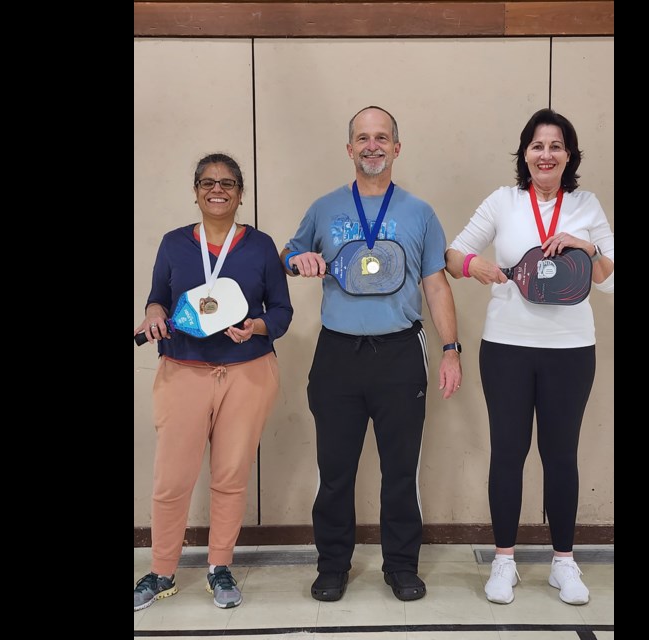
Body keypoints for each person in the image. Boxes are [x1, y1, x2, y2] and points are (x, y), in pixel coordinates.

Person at [281, 106, 462, 603]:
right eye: (363, 138)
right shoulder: (324, 208)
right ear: (349, 149)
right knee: (334, 470)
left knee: (401, 470)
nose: (372, 145)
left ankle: (401, 566)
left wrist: (451, 349)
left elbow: (435, 284)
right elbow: (287, 255)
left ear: (397, 148)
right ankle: (332, 566)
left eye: (382, 137)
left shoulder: (419, 212)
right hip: (337, 355)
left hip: (401, 354)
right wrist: (299, 260)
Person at [445, 108, 613, 606]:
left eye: (556, 146)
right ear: (525, 154)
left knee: (561, 456)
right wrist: (476, 265)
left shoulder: (586, 204)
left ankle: (564, 563)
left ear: (569, 155)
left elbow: (608, 276)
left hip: (570, 350)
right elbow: (453, 256)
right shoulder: (504, 202)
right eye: (537, 145)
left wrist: (586, 245)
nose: (546, 154)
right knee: (508, 453)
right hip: (507, 349)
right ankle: (504, 561)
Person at [133, 153, 294, 611]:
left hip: (247, 374)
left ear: (241, 193)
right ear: (196, 191)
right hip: (182, 371)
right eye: (207, 182)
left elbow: (281, 313)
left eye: (227, 182)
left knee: (230, 476)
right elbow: (157, 300)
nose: (216, 189)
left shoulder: (261, 246)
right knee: (171, 480)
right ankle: (161, 571)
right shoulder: (173, 243)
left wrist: (255, 328)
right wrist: (153, 314)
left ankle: (219, 566)